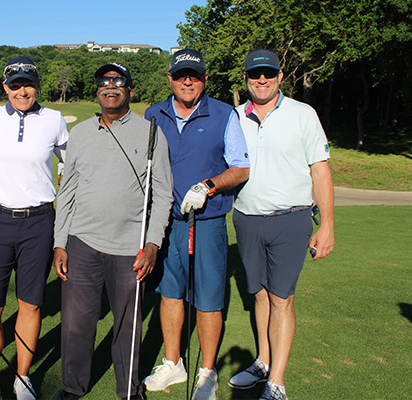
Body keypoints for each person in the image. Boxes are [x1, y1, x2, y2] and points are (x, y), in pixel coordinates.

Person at [52, 62, 174, 400]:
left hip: (129, 247)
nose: (110, 86)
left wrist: (152, 244)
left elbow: (162, 193)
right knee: (77, 324)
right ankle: (72, 386)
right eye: (104, 81)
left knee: (127, 326)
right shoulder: (81, 134)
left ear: (129, 91)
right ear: (97, 90)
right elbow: (68, 190)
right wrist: (60, 242)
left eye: (118, 81)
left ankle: (129, 390)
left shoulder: (151, 132)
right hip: (82, 242)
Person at [142, 48, 250, 400]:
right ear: (170, 79)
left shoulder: (222, 113)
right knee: (170, 292)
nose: (188, 81)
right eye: (181, 75)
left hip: (207, 220)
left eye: (195, 75)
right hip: (167, 221)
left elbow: (240, 167)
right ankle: (173, 363)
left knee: (207, 297)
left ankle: (207, 372)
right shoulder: (153, 114)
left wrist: (209, 186)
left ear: (205, 79)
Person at [228, 49, 335, 400]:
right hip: (246, 218)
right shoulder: (235, 118)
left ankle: (276, 382)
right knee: (258, 293)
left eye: (269, 73)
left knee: (281, 298)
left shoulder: (302, 114)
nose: (262, 79)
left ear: (280, 75)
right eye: (255, 74)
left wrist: (328, 225)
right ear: (246, 78)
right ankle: (262, 361)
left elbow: (320, 170)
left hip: (291, 220)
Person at [0, 56, 69, 400]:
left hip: (38, 222)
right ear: (5, 88)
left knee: (30, 304)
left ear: (37, 85)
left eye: (28, 84)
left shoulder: (54, 120)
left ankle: (23, 377)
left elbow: (71, 167)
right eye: (15, 85)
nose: (22, 91)